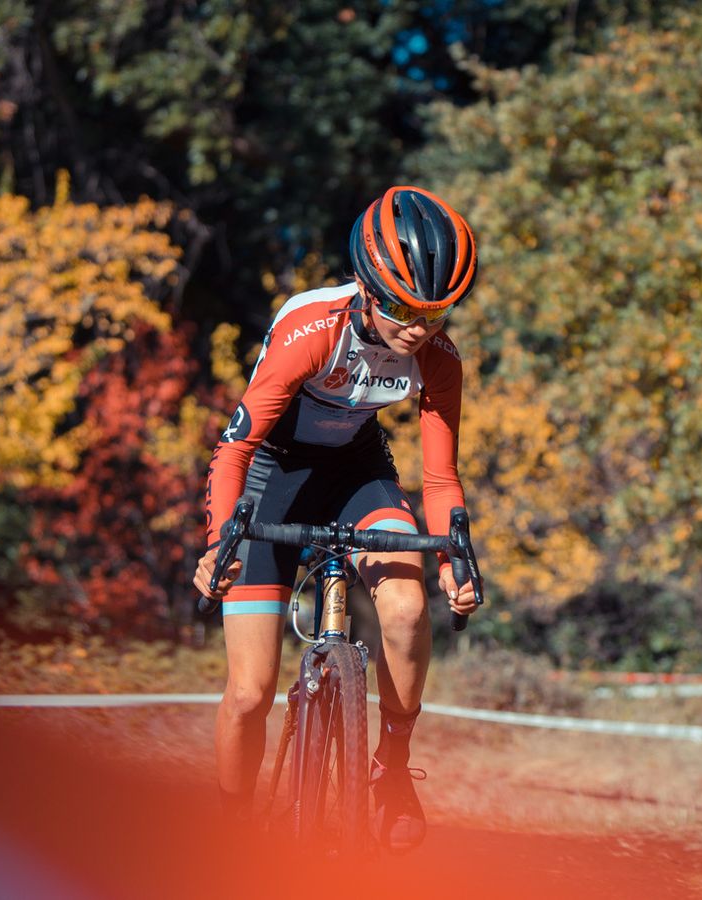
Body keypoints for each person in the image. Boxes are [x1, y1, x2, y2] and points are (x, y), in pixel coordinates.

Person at [193, 185, 481, 852]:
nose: (420, 328)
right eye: (406, 309)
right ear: (367, 286)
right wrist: (219, 544)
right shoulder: (310, 329)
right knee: (248, 692)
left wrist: (455, 560)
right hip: (274, 475)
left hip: (358, 471)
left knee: (407, 609)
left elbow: (439, 476)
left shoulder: (438, 359)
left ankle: (392, 769)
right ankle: (232, 828)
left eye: (437, 312)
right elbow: (234, 447)